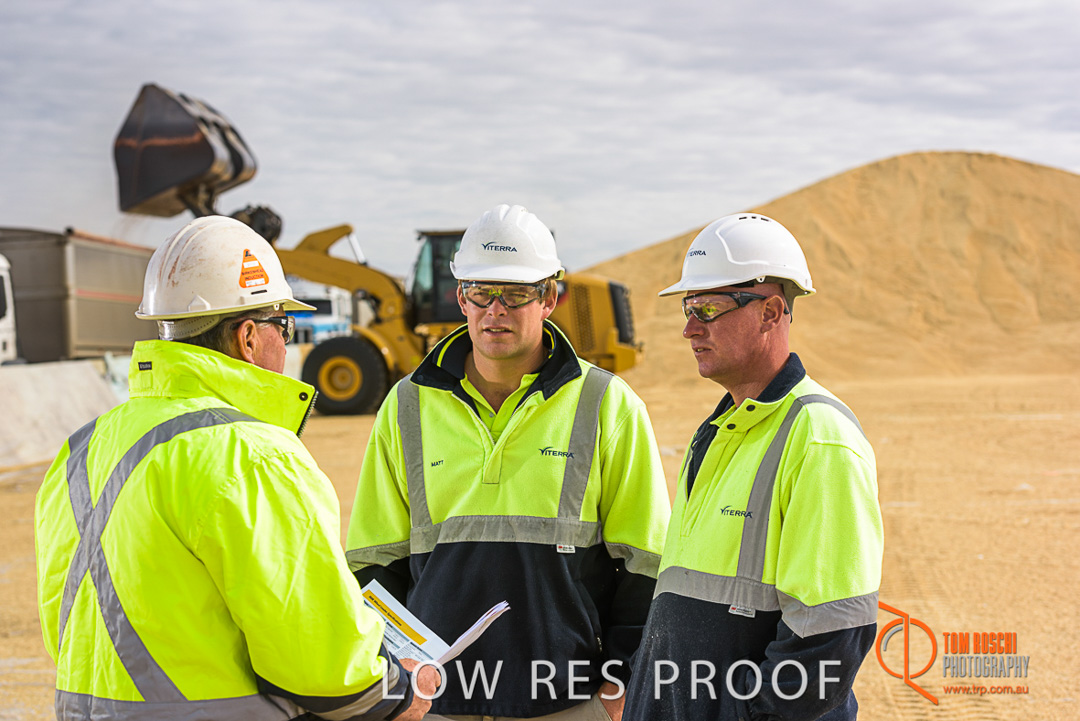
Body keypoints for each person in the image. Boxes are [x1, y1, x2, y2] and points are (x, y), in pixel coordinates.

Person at [35, 216, 437, 721]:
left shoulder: (81, 448)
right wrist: (395, 693)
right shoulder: (253, 454)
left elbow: (63, 619)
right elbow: (319, 659)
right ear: (248, 337)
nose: (286, 344)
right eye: (283, 326)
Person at [345, 204, 670, 720]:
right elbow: (374, 562)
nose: (495, 309)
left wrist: (622, 680)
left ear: (549, 299)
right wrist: (397, 675)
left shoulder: (608, 404)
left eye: (516, 293)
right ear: (461, 297)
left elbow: (645, 563)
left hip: (568, 702)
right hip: (436, 703)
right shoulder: (405, 406)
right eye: (482, 292)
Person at [623, 213, 884, 721]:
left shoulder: (819, 438)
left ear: (770, 311)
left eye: (709, 308)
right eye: (688, 308)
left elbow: (827, 644)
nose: (689, 328)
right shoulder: (718, 431)